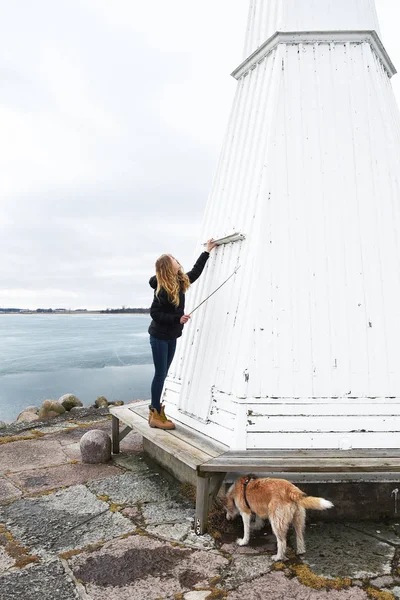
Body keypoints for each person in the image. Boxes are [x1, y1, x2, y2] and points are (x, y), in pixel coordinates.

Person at [148, 239, 217, 429]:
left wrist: (207, 252)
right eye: (173, 260)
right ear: (167, 267)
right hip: (159, 336)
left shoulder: (178, 282)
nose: (177, 261)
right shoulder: (162, 289)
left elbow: (195, 272)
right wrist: (176, 320)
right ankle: (155, 414)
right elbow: (155, 313)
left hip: (171, 336)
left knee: (164, 373)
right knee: (160, 374)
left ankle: (157, 412)